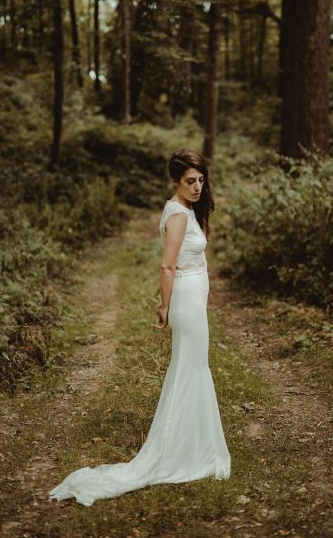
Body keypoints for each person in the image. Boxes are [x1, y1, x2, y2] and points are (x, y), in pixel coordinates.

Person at [48, 148, 230, 506]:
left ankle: (190, 441)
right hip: (186, 300)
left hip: (193, 297)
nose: (197, 186)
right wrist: (163, 306)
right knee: (192, 369)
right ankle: (182, 449)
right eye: (190, 181)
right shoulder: (178, 215)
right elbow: (166, 267)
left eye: (201, 180)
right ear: (176, 181)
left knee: (191, 368)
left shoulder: (184, 208)